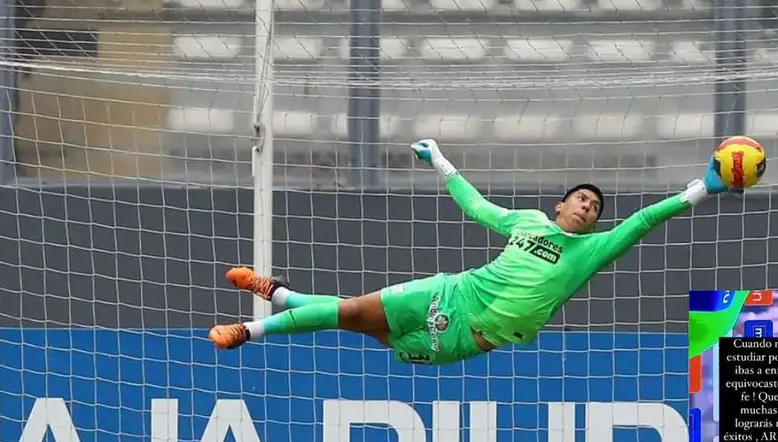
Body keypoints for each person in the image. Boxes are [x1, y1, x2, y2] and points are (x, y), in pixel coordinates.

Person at [208, 138, 747, 365]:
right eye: (580, 199)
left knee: (365, 327)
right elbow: (477, 205)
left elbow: (645, 219)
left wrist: (702, 188)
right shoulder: (526, 222)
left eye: (594, 207)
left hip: (470, 336)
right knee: (351, 312)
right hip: (454, 289)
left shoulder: (590, 251)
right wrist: (441, 160)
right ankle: (247, 331)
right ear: (559, 205)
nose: (587, 208)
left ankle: (279, 294)